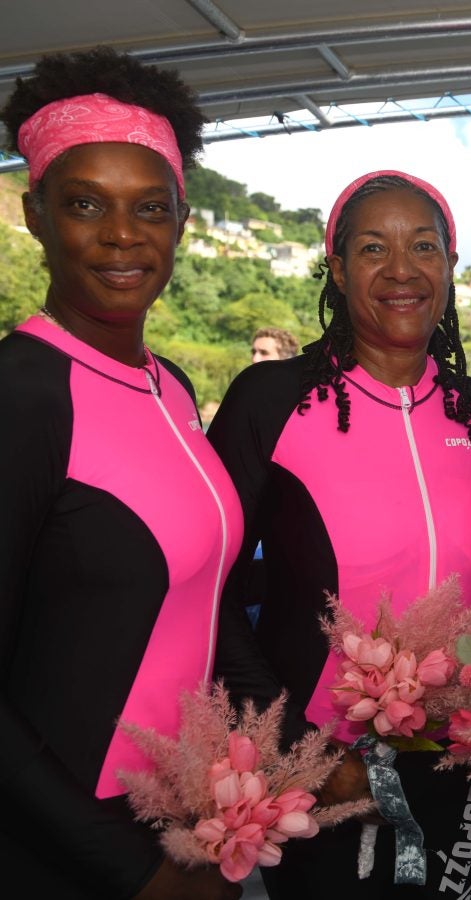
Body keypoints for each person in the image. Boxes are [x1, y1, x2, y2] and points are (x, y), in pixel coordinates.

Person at [208, 170, 471, 899]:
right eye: (374, 248)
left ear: (450, 266)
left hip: (461, 767)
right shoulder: (272, 399)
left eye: (425, 248)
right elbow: (202, 585)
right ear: (338, 270)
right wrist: (296, 748)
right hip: (325, 769)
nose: (402, 270)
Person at [0, 48, 244, 899]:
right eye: (84, 205)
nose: (120, 235)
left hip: (185, 824)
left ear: (180, 220)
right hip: (63, 852)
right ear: (35, 213)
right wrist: (130, 871)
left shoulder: (168, 386)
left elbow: (202, 603)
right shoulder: (22, 395)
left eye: (149, 208)